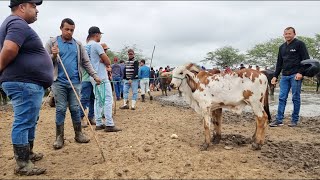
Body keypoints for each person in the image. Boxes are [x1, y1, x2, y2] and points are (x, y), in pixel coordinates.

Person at [0, 0, 53, 175]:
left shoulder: (14, 24)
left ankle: (27, 153)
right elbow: (9, 49)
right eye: (34, 6)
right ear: (22, 7)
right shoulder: (17, 23)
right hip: (24, 83)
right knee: (23, 121)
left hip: (27, 83)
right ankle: (23, 164)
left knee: (29, 119)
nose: (37, 10)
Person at [45, 18, 101, 149]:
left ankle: (78, 134)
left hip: (75, 82)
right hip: (59, 82)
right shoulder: (52, 43)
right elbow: (43, 61)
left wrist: (95, 75)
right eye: (67, 29)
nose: (69, 32)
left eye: (72, 30)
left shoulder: (78, 45)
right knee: (60, 109)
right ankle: (59, 137)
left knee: (76, 108)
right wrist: (53, 55)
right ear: (61, 28)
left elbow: (86, 62)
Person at [269, 27, 310, 127]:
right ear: (283, 35)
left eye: (289, 33)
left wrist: (300, 73)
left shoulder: (300, 44)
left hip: (295, 75)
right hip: (284, 76)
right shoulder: (282, 47)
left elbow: (306, 60)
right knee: (282, 98)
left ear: (294, 34)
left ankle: (294, 120)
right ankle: (279, 120)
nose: (287, 35)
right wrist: (275, 76)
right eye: (286, 34)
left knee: (295, 98)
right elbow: (279, 63)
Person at [86, 26, 121, 132]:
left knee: (98, 100)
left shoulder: (85, 47)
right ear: (96, 34)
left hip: (92, 76)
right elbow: (108, 61)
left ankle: (99, 123)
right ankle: (109, 124)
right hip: (101, 76)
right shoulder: (96, 45)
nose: (100, 36)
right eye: (100, 34)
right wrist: (104, 60)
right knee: (107, 99)